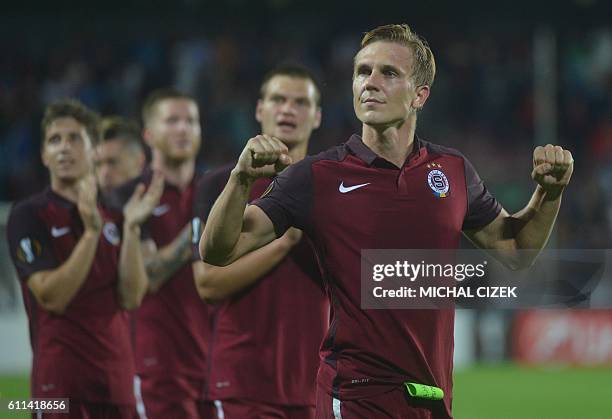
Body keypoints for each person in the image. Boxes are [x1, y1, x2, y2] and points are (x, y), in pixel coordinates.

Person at [199, 24, 574, 419]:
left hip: (433, 397)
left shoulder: (453, 171)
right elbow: (219, 250)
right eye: (363, 71)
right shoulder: (318, 176)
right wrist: (241, 179)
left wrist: (549, 194)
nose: (370, 83)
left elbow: (516, 251)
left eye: (388, 73)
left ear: (419, 95)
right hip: (358, 394)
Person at [6, 99, 163, 419]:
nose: (64, 148)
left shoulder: (118, 217)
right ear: (44, 156)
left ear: (93, 152)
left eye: (75, 138)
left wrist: (132, 229)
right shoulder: (29, 216)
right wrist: (91, 234)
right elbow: (51, 296)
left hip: (118, 389)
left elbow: (132, 297)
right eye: (55, 140)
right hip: (57, 392)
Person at [192, 64, 329, 419]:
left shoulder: (333, 187)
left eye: (300, 102)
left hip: (320, 385)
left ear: (316, 117)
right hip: (243, 386)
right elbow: (207, 283)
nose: (287, 109)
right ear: (259, 109)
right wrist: (283, 242)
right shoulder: (221, 186)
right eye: (278, 99)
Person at [113, 88, 211, 419]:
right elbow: (149, 275)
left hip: (218, 362)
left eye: (191, 121)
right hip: (158, 365)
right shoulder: (129, 196)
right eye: (172, 121)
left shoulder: (214, 191)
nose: (183, 128)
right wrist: (200, 229)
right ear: (149, 134)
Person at [94, 116, 146, 194]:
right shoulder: (87, 205)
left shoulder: (166, 199)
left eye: (113, 162)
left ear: (139, 161)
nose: (104, 173)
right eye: (97, 164)